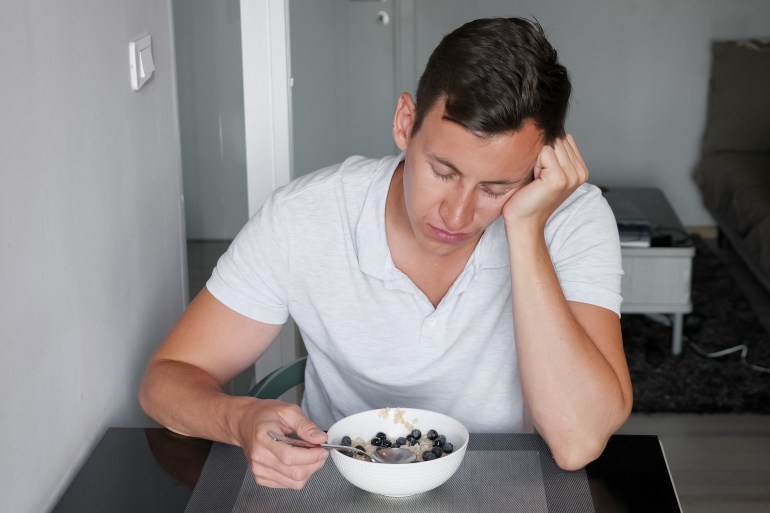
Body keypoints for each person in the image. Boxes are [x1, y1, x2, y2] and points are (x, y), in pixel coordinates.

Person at [139, 17, 632, 490]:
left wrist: (525, 228)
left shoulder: (571, 218)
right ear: (405, 123)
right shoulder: (304, 215)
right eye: (443, 171)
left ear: (540, 170)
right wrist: (239, 418)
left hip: (506, 489)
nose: (457, 216)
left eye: (497, 187)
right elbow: (165, 382)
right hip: (337, 485)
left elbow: (577, 442)